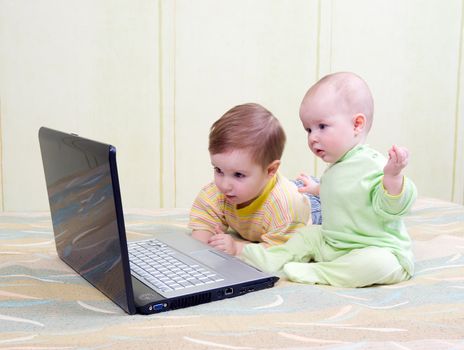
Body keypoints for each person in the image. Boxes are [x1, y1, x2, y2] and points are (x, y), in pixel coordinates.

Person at [239, 72, 417, 288]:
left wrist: (393, 176)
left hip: (375, 247)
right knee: (307, 235)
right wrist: (316, 188)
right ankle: (274, 257)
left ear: (357, 124)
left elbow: (392, 206)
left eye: (322, 126)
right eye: (308, 129)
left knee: (378, 264)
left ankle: (321, 272)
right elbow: (345, 194)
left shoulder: (373, 164)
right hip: (335, 244)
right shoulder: (337, 167)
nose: (312, 137)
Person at [189, 103, 321, 255]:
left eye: (238, 175)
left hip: (314, 206)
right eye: (218, 170)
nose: (225, 185)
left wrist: (239, 248)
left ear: (270, 170)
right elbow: (202, 228)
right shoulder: (216, 193)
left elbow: (282, 252)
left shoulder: (285, 208)